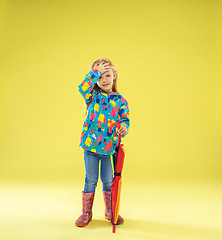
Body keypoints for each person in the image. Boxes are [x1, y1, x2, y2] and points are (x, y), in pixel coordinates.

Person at [75, 58, 130, 227]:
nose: (104, 80)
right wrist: (94, 72)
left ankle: (110, 211)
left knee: (108, 180)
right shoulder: (92, 95)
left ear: (114, 76)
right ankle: (86, 213)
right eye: (99, 77)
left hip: (108, 149)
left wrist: (123, 128)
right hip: (91, 147)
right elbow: (82, 87)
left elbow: (124, 120)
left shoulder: (121, 101)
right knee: (91, 180)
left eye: (107, 75)